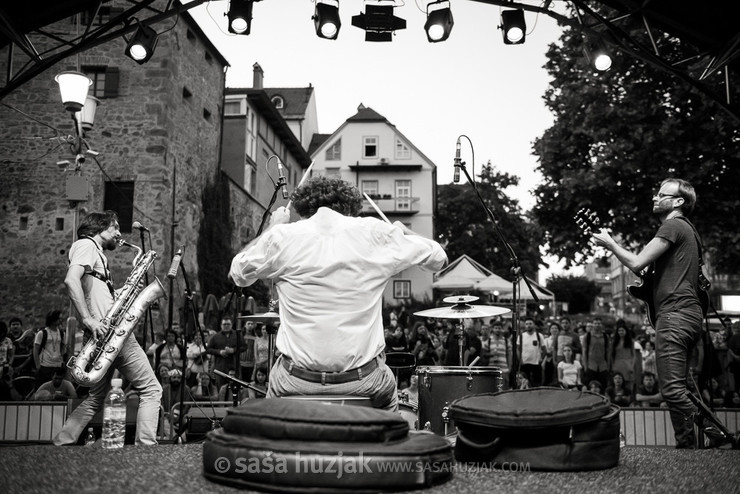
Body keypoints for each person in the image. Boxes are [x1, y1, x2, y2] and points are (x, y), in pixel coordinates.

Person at [229, 176, 447, 411]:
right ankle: (385, 445)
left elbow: (238, 273)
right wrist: (403, 232)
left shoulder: (283, 236)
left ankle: (281, 443)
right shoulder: (374, 232)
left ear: (302, 209)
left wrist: (274, 226)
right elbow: (438, 259)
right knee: (394, 413)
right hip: (363, 382)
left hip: (296, 381)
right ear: (350, 208)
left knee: (273, 394)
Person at [593, 178, 706, 448]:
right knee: (684, 387)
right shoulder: (688, 231)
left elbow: (637, 262)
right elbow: (650, 274)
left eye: (661, 194)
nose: (654, 198)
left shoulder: (673, 225)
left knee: (671, 389)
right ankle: (687, 445)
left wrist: (610, 244)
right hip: (688, 315)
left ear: (679, 202)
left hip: (675, 316)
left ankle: (719, 434)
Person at [53, 210, 162, 446]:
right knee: (152, 389)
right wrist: (88, 319)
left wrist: (121, 294)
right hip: (112, 332)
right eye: (114, 227)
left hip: (103, 333)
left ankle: (62, 442)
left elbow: (95, 291)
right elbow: (71, 280)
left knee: (95, 398)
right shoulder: (86, 245)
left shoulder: (96, 253)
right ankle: (147, 449)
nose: (118, 233)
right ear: (98, 228)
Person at [33, 310, 66, 390]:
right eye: (59, 318)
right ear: (53, 319)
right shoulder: (42, 333)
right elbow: (35, 350)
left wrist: (62, 360)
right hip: (45, 366)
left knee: (56, 389)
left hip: (57, 365)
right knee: (42, 389)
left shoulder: (62, 333)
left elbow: (63, 347)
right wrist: (38, 365)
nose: (60, 320)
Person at [207, 316, 239, 389]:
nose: (226, 326)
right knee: (220, 387)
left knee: (235, 387)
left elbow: (244, 347)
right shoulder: (216, 336)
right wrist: (219, 352)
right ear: (221, 325)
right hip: (220, 367)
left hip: (234, 366)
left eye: (228, 324)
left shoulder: (237, 335)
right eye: (224, 324)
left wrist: (233, 350)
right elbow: (208, 349)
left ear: (231, 325)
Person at [517, 317, 545, 387]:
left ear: (534, 325)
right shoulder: (521, 336)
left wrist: (541, 359)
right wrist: (520, 360)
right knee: (525, 383)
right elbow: (518, 349)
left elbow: (544, 349)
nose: (528, 325)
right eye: (526, 324)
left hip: (536, 363)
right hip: (525, 363)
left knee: (537, 384)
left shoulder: (539, 336)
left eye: (530, 323)